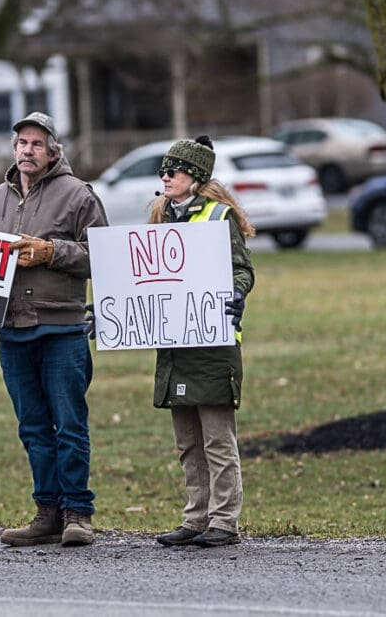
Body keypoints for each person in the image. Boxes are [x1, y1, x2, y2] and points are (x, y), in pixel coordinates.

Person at [0, 112, 107, 547]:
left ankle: (78, 514)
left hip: (62, 329)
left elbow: (106, 258)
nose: (27, 150)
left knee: (69, 424)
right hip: (10, 331)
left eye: (36, 143)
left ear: (54, 151)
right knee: (32, 426)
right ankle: (46, 512)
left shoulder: (79, 195)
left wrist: (51, 251)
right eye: (21, 143)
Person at [146, 135, 254, 548]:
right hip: (175, 345)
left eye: (173, 170)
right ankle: (195, 517)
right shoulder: (161, 217)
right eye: (163, 170)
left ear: (195, 176)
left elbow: (242, 269)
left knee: (217, 439)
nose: (166, 176)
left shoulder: (219, 217)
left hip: (213, 346)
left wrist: (238, 293)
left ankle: (224, 521)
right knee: (187, 441)